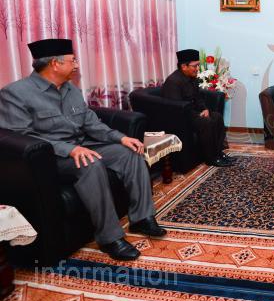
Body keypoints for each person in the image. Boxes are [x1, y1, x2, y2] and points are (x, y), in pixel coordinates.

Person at [0, 39, 165, 261]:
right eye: (73, 60)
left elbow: (91, 123)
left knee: (131, 153)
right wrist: (69, 149)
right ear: (55, 64)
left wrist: (122, 138)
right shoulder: (15, 93)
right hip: (50, 157)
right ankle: (110, 238)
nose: (77, 65)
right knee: (90, 163)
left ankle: (142, 218)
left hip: (83, 144)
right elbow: (21, 136)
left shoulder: (71, 89)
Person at [161, 49, 233, 167]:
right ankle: (211, 158)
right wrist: (197, 115)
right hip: (181, 117)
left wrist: (204, 109)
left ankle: (218, 153)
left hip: (193, 113)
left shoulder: (192, 78)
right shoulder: (173, 82)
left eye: (198, 65)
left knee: (217, 117)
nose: (197, 68)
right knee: (206, 121)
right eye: (195, 66)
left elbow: (198, 97)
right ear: (184, 66)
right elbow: (177, 108)